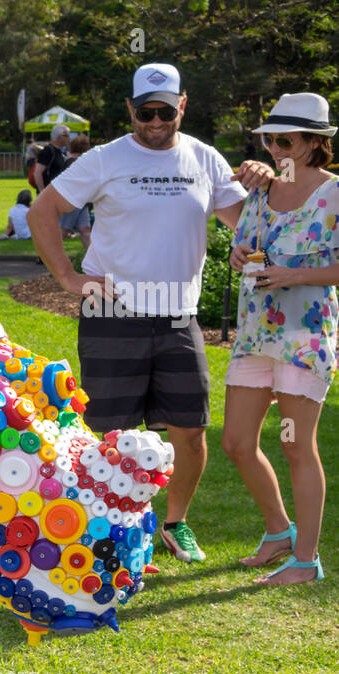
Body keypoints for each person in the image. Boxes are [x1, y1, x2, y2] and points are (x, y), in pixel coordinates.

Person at [27, 62, 273, 565]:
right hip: (111, 312)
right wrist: (70, 280)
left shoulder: (204, 158)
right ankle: (109, 531)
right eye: (145, 112)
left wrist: (264, 183)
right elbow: (42, 210)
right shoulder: (104, 158)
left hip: (179, 316)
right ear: (131, 110)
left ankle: (175, 523)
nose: (156, 122)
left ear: (183, 105)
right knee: (112, 434)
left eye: (165, 111)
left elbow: (247, 226)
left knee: (190, 430)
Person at [223, 92, 337, 585]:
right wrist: (239, 257)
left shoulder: (334, 194)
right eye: (270, 139)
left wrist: (295, 276)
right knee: (237, 442)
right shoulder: (260, 193)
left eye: (285, 140)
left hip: (303, 336)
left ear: (315, 143)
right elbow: (242, 248)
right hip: (255, 334)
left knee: (296, 446)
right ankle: (278, 532)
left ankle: (306, 561)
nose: (275, 148)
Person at [58, 134, 93, 251]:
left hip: (81, 202)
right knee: (64, 230)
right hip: (73, 201)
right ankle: (45, 257)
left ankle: (93, 259)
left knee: (85, 230)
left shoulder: (73, 161)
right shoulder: (75, 162)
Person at [33, 124, 70, 193]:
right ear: (59, 137)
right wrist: (42, 191)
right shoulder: (48, 151)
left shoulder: (60, 152)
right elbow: (37, 173)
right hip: (47, 194)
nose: (69, 138)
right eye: (66, 136)